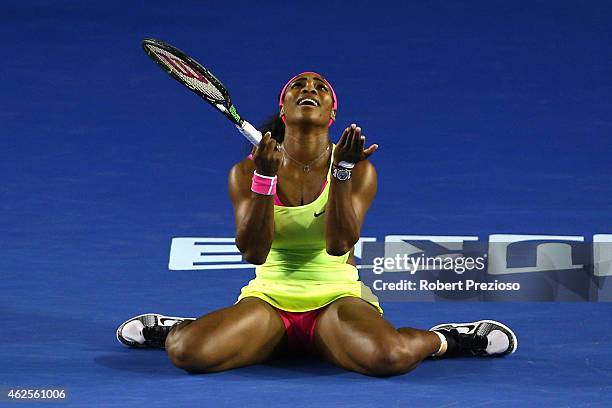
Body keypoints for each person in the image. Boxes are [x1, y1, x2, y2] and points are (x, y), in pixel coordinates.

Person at [116, 72, 517, 376]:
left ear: (332, 112)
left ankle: (447, 338)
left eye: (320, 87)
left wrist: (341, 172)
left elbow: (341, 244)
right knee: (187, 352)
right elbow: (253, 251)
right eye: (299, 86)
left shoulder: (359, 171)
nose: (310, 88)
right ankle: (181, 327)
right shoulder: (245, 172)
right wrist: (265, 181)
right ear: (285, 107)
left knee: (389, 357)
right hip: (269, 302)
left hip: (336, 302)